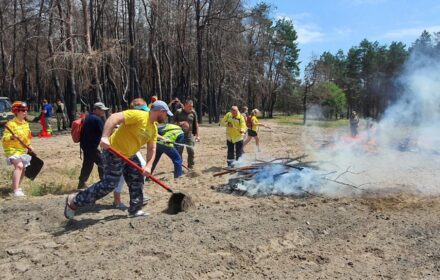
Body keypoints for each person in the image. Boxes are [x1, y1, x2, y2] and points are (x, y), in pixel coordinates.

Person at [64, 100, 173, 219]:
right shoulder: (139, 115)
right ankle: (74, 200)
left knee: (137, 179)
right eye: (166, 114)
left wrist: (148, 166)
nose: (166, 117)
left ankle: (135, 209)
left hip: (130, 155)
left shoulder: (153, 128)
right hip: (114, 152)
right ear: (160, 112)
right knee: (109, 184)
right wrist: (105, 137)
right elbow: (114, 117)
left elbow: (152, 148)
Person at [113, 98, 149, 209]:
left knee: (141, 165)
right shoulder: (130, 117)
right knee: (120, 175)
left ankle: (138, 195)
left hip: (131, 150)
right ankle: (117, 200)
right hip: (120, 150)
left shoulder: (140, 119)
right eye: (144, 110)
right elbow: (114, 120)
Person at [1, 101, 34, 197]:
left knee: (23, 168)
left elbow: (27, 138)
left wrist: (29, 145)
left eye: (26, 110)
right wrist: (12, 137)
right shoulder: (11, 124)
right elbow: (4, 139)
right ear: (16, 112)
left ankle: (17, 187)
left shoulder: (25, 124)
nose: (25, 112)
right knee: (19, 166)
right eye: (22, 110)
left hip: (21, 150)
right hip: (11, 150)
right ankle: (15, 191)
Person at [77, 102, 108, 189]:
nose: (103, 112)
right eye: (102, 110)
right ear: (97, 109)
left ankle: (81, 183)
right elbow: (104, 132)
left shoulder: (88, 117)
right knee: (102, 162)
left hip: (85, 145)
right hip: (91, 147)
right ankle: (104, 183)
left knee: (88, 164)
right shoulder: (97, 119)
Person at [173, 100, 200, 169]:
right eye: (189, 106)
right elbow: (173, 124)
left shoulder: (193, 113)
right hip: (179, 135)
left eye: (192, 106)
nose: (191, 108)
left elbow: (196, 124)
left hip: (189, 135)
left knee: (191, 151)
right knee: (179, 152)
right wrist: (181, 123)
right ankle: (179, 167)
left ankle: (190, 166)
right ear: (185, 105)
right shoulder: (178, 112)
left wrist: (197, 135)